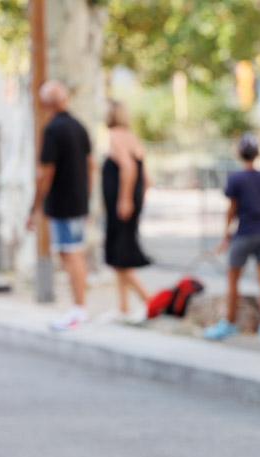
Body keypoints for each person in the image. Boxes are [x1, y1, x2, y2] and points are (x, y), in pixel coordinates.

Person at [27, 80, 93, 331]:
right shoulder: (78, 126)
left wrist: (34, 206)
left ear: (45, 104)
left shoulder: (52, 130)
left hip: (63, 204)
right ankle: (80, 306)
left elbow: (45, 174)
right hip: (78, 201)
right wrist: (86, 198)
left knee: (70, 254)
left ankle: (79, 308)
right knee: (74, 253)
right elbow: (90, 165)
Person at [204, 132, 260, 341]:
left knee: (233, 281)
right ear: (258, 153)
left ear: (239, 153)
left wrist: (225, 237)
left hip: (244, 233)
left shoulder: (236, 179)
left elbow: (231, 211)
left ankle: (229, 322)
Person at [101, 100, 151, 323]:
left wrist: (125, 200)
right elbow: (146, 177)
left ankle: (149, 301)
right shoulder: (132, 137)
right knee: (118, 255)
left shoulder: (114, 136)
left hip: (120, 206)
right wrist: (139, 201)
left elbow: (129, 167)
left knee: (121, 255)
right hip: (131, 203)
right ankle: (123, 307)